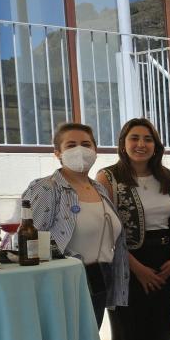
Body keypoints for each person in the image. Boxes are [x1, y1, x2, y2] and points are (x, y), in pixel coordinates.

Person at [97, 119, 170, 340]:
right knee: (128, 337)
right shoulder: (108, 177)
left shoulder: (165, 176)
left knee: (157, 336)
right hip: (126, 265)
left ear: (156, 146)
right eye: (135, 138)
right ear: (123, 142)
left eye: (148, 139)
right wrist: (136, 267)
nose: (141, 144)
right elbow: (108, 228)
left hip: (164, 262)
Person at [24, 122, 129, 323]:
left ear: (95, 150)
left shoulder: (99, 188)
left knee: (90, 339)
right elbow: (28, 240)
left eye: (86, 144)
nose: (80, 150)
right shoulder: (46, 188)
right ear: (58, 153)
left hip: (100, 277)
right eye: (71, 145)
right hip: (64, 281)